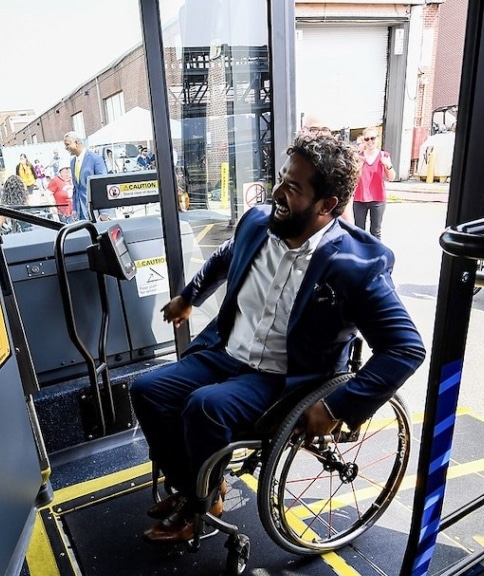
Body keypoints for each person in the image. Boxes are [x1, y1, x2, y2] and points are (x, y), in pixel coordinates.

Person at [130, 134, 426, 543]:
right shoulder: (257, 222)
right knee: (146, 389)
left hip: (282, 377)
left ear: (327, 207)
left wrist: (338, 405)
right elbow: (225, 257)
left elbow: (405, 348)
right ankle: (198, 489)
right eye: (282, 178)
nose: (278, 191)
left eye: (294, 187)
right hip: (226, 349)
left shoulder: (357, 266)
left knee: (205, 407)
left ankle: (198, 504)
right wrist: (188, 297)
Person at [352, 127, 396, 238]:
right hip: (360, 199)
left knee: (375, 232)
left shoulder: (384, 156)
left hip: (378, 199)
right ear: (364, 141)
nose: (370, 141)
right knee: (358, 231)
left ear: (377, 138)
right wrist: (358, 166)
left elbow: (391, 177)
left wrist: (388, 165)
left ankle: (376, 255)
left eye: (373, 138)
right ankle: (359, 254)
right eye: (367, 139)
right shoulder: (359, 156)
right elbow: (352, 178)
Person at [63, 131, 108, 221]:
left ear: (76, 143)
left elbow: (103, 185)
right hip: (80, 212)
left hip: (95, 211)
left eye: (67, 144)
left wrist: (104, 212)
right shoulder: (73, 162)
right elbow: (76, 188)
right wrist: (75, 209)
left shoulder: (95, 159)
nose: (65, 148)